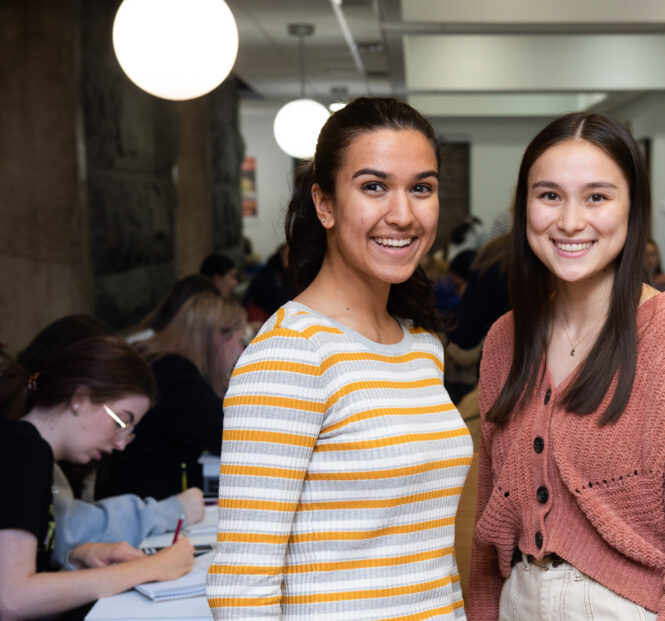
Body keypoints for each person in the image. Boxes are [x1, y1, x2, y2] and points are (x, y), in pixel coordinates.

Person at [466, 112, 665, 620]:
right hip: (519, 601)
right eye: (549, 195)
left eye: (597, 196)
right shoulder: (504, 340)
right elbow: (488, 532)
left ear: (633, 210)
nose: (570, 221)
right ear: (524, 208)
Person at [206, 97, 473, 620]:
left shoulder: (420, 345)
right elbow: (241, 589)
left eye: (421, 188)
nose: (402, 214)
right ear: (324, 204)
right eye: (373, 186)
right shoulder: (290, 354)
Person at [0, 336, 194, 620]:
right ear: (79, 399)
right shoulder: (24, 450)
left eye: (129, 431)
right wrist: (149, 568)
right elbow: (11, 598)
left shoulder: (30, 452)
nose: (121, 443)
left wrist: (77, 556)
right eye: (120, 422)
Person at [96, 292, 246, 500]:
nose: (241, 351)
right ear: (219, 338)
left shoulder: (162, 362)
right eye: (240, 341)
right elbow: (235, 438)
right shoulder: (175, 375)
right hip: (137, 507)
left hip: (132, 498)